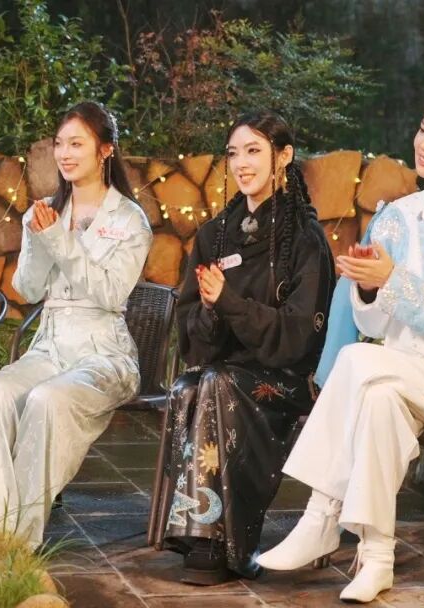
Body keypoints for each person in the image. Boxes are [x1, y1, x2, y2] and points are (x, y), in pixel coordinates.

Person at [257, 89, 424, 604]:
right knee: (378, 397)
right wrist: (367, 288)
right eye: (423, 130)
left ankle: (320, 517)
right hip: (399, 372)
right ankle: (377, 558)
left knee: (357, 360)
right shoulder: (396, 215)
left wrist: (392, 279)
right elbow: (375, 321)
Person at [0, 101, 153, 546]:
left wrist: (57, 238)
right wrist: (37, 238)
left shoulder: (129, 220)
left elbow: (110, 293)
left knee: (46, 399)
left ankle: (17, 538)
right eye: (60, 144)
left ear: (105, 150)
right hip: (50, 349)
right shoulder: (47, 212)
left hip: (105, 356)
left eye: (77, 143)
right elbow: (28, 288)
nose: (65, 153)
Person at [161, 111, 334, 585]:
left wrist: (230, 303)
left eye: (254, 150)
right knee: (189, 386)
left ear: (284, 156)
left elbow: (300, 337)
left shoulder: (306, 240)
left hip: (286, 380)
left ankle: (220, 538)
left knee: (219, 383)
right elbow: (192, 340)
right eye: (234, 153)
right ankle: (198, 528)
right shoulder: (214, 235)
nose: (241, 163)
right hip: (224, 374)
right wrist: (211, 309)